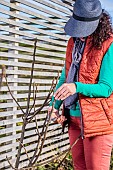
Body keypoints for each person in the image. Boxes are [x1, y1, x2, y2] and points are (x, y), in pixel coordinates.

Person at [48, 0, 113, 169]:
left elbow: (106, 88)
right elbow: (64, 78)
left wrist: (77, 86)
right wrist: (54, 106)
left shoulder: (108, 45)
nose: (80, 34)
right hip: (74, 119)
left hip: (97, 122)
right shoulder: (73, 43)